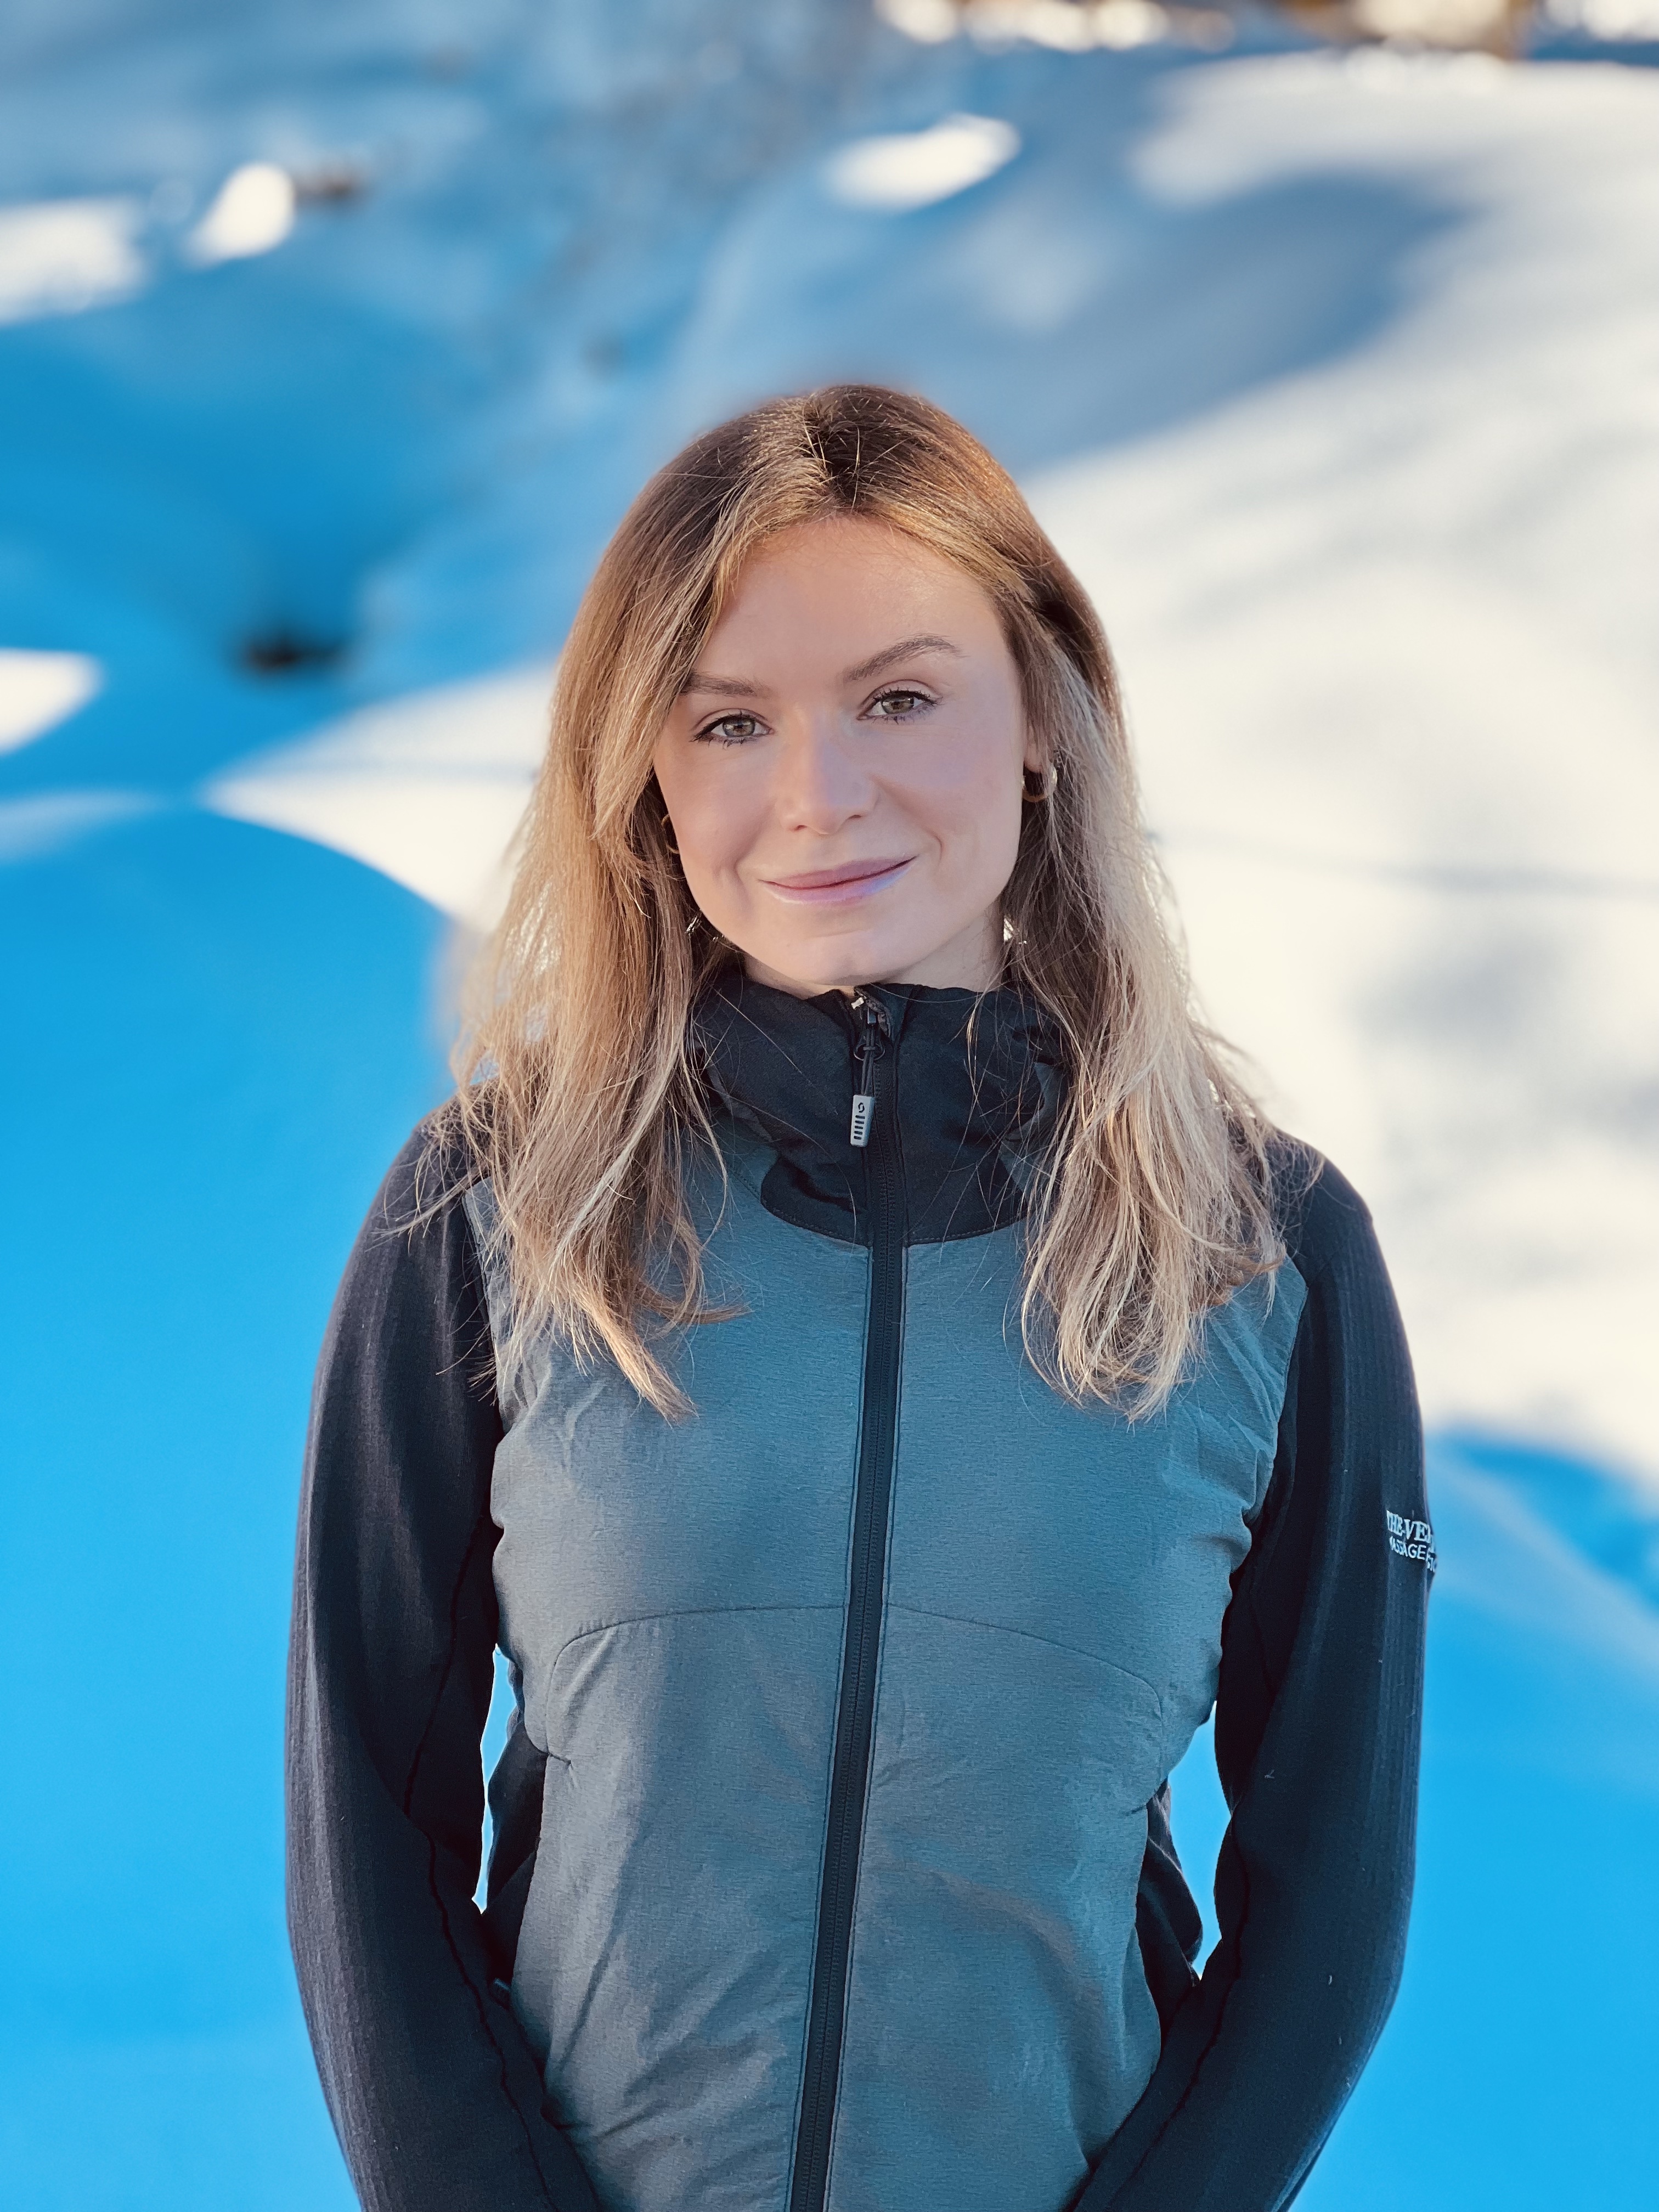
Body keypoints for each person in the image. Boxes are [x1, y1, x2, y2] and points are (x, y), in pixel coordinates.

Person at [286, 385, 1432, 2212]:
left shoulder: (1264, 1252)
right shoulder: (499, 1208)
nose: (818, 795)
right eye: (730, 720)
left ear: (1043, 716)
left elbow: (1331, 1899)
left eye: (900, 698)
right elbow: (366, 1828)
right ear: (646, 777)